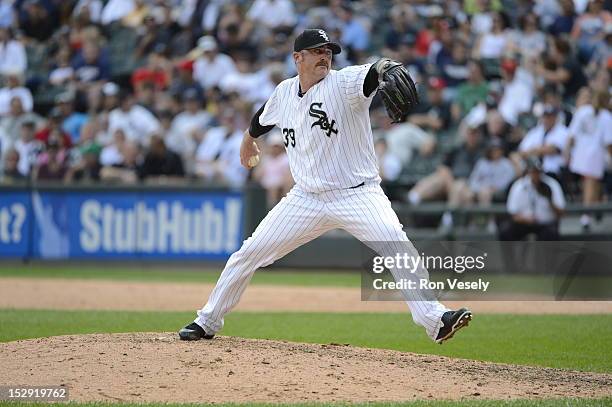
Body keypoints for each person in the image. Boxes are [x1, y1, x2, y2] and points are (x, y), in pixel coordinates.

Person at [179, 29, 471, 345]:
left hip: (357, 194)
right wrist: (248, 142)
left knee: (396, 245)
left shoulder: (343, 84)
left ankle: (434, 318)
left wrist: (384, 65)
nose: (325, 56)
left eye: (328, 51)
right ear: (297, 58)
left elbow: (373, 73)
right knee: (248, 253)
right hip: (305, 199)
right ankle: (206, 320)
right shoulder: (284, 92)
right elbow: (260, 120)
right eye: (317, 51)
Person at [500, 158, 565, 241]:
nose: (536, 175)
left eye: (538, 172)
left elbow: (561, 213)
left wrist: (549, 200)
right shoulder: (519, 185)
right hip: (524, 223)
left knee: (551, 234)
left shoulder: (551, 184)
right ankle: (509, 254)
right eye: (533, 172)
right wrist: (525, 219)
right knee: (506, 231)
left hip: (545, 224)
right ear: (528, 171)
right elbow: (513, 213)